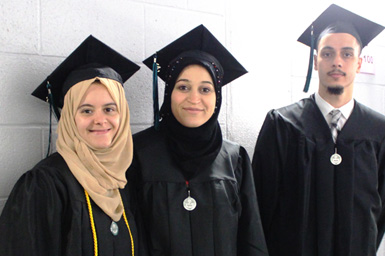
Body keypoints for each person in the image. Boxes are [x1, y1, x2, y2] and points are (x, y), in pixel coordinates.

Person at [252, 4, 385, 256]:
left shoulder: (379, 131)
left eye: (347, 54)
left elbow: (379, 212)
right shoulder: (282, 124)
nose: (337, 61)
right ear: (316, 61)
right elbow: (261, 206)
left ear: (358, 63)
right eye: (327, 53)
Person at [129, 25, 268, 256]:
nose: (194, 99)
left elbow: (251, 238)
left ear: (217, 98)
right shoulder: (138, 152)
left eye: (205, 89)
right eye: (183, 87)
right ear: (168, 92)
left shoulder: (235, 158)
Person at [0, 35, 145, 256]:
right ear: (68, 117)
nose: (100, 120)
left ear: (122, 115)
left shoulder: (124, 177)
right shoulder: (44, 184)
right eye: (86, 110)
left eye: (109, 109)